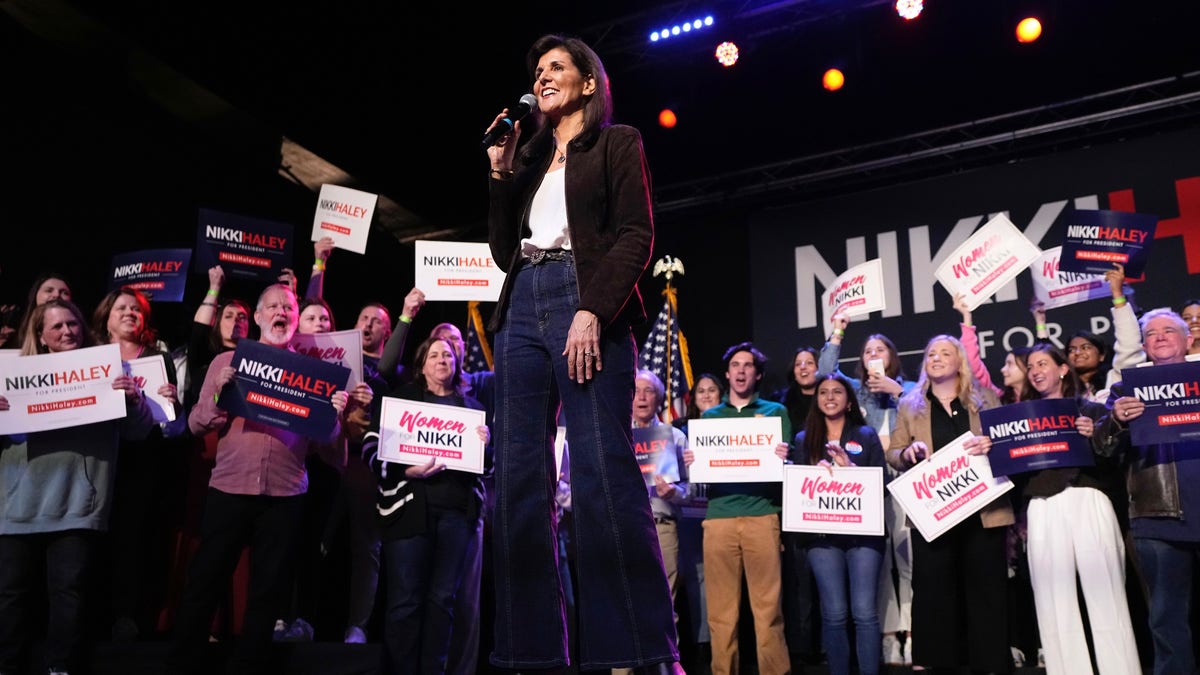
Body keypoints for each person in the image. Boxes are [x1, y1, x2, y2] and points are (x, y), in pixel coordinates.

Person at [483, 33, 678, 671]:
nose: (542, 76)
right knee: (515, 480)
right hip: (522, 302)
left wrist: (592, 308)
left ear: (587, 83)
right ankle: (528, 653)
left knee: (601, 476)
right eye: (536, 69)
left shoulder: (617, 143)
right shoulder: (531, 155)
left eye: (556, 67)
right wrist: (500, 173)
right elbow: (499, 250)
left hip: (583, 294)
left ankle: (642, 654)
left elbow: (636, 234)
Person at [166, 283, 348, 675]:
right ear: (260, 318)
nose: (282, 311)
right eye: (274, 306)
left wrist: (335, 419)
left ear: (295, 321)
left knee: (268, 592)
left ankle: (248, 667)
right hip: (229, 487)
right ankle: (184, 663)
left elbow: (332, 453)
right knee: (205, 581)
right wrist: (217, 393)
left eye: (290, 307)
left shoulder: (316, 376)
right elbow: (196, 425)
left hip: (285, 494)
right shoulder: (227, 362)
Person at [0, 299, 154, 675]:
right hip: (16, 505)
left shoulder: (105, 370)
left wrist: (133, 401)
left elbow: (139, 431)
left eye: (73, 324)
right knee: (8, 597)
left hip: (77, 503)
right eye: (57, 327)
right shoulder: (9, 373)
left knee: (69, 594)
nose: (67, 331)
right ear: (40, 335)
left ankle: (60, 669)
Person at [359, 335, 490, 674]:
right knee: (405, 602)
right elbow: (369, 451)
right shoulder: (400, 401)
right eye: (433, 355)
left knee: (443, 601)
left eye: (447, 355)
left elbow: (488, 469)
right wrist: (406, 469)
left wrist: (486, 448)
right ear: (421, 365)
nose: (441, 360)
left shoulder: (472, 410)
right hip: (406, 511)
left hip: (458, 516)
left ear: (457, 363)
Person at [886, 334, 1013, 674]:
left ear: (960, 361)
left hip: (983, 511)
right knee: (934, 591)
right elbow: (894, 452)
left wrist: (994, 443)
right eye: (931, 354)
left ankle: (991, 665)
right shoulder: (911, 404)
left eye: (945, 353)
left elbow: (1009, 442)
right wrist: (907, 453)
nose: (937, 358)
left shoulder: (985, 398)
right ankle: (940, 664)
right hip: (934, 513)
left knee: (986, 590)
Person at [1017, 343, 1141, 675]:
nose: (1036, 371)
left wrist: (1095, 434)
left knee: (1107, 593)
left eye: (1043, 363)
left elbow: (1112, 456)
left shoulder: (1092, 410)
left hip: (1089, 499)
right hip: (1043, 505)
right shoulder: (1019, 418)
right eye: (1030, 367)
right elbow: (1013, 470)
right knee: (1053, 599)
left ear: (1061, 368)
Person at [1097, 308, 1200, 675]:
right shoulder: (1125, 391)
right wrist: (1116, 421)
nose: (1159, 336)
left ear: (1188, 339)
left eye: (1168, 330)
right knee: (1167, 620)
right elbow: (1102, 447)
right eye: (1151, 332)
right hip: (1158, 518)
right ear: (1143, 345)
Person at [683, 342, 791, 675]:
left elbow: (783, 467)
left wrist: (784, 456)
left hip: (763, 514)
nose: (741, 371)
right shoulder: (709, 417)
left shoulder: (775, 412)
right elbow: (699, 474)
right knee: (720, 613)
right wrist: (693, 462)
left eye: (748, 366)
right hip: (718, 519)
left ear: (757, 374)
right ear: (727, 373)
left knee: (768, 610)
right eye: (735, 365)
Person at [819, 315, 916, 666]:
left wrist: (897, 391)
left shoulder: (910, 388)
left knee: (909, 562)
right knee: (878, 566)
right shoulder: (855, 393)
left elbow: (929, 409)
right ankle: (890, 635)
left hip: (908, 482)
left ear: (891, 356)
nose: (873, 354)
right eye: (867, 351)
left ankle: (913, 633)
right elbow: (824, 370)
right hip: (867, 486)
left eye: (880, 349)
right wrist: (839, 329)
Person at [91, 287, 186, 642]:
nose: (130, 313)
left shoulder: (158, 360)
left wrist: (173, 401)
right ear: (107, 316)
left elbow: (173, 423)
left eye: (137, 309)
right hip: (98, 456)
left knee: (134, 538)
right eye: (122, 307)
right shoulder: (89, 355)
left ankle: (128, 616)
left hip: (144, 460)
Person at [789, 373, 887, 675]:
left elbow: (882, 483)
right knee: (833, 614)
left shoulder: (866, 434)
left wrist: (851, 470)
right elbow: (797, 490)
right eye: (823, 393)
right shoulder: (804, 440)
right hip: (823, 538)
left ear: (848, 402)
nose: (830, 397)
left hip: (863, 537)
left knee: (864, 613)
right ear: (816, 401)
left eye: (837, 392)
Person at [613, 369, 689, 675]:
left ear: (658, 398)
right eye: (636, 391)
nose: (642, 397)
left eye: (648, 391)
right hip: (623, 527)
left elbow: (689, 491)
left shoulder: (674, 436)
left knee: (665, 609)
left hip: (662, 526)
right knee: (621, 606)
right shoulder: (616, 435)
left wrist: (673, 492)